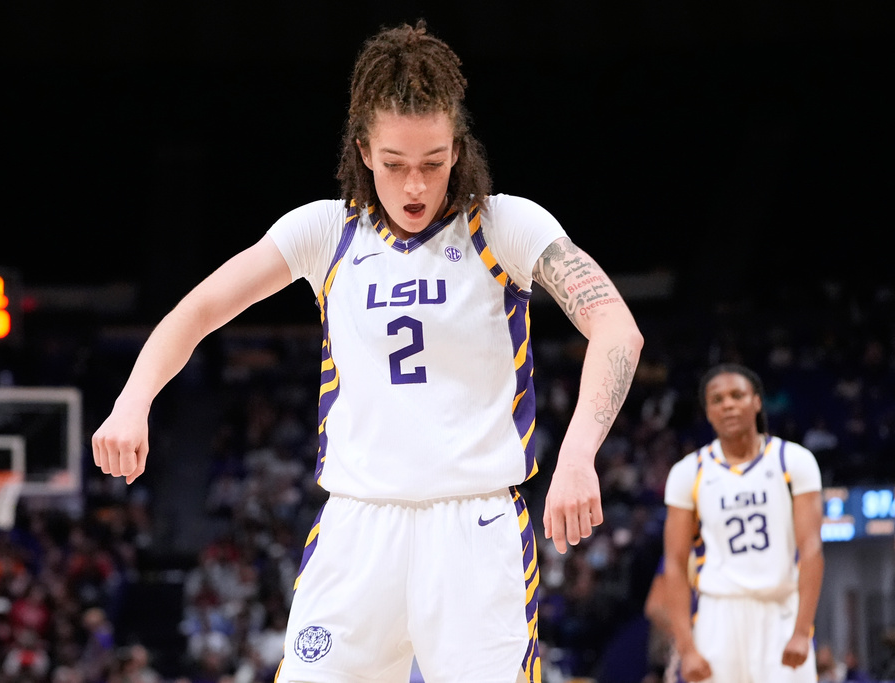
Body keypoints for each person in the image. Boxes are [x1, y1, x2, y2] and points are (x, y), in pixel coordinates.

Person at [92, 20, 643, 683]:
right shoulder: (326, 231)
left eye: (434, 163)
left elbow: (616, 328)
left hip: (474, 526)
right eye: (395, 164)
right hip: (358, 526)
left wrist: (579, 453)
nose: (415, 186)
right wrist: (132, 400)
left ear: (459, 150)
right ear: (363, 151)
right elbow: (199, 309)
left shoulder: (506, 224)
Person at [661, 363, 824, 683]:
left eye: (737, 395)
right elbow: (675, 563)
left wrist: (803, 631)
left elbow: (812, 548)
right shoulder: (688, 472)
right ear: (708, 412)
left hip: (780, 609)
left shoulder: (794, 460)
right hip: (718, 613)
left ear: (757, 401)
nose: (728, 404)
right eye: (717, 399)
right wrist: (686, 648)